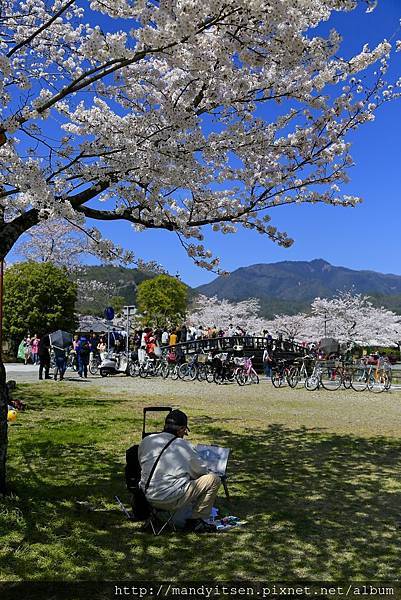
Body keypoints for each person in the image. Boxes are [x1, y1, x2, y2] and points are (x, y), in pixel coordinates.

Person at [138, 409, 221, 533]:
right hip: (167, 499)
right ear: (182, 429)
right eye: (184, 431)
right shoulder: (184, 446)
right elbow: (202, 472)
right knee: (213, 479)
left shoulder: (148, 440)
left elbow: (142, 464)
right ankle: (196, 520)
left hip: (147, 495)